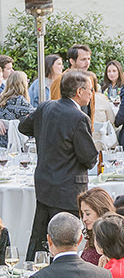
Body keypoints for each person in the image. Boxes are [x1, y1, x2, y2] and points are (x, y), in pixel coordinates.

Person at [20, 69, 99, 259]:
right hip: (67, 188)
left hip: (45, 183)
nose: (91, 94)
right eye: (89, 89)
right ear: (79, 92)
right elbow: (89, 158)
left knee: (40, 237)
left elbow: (23, 126)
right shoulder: (79, 118)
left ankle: (34, 272)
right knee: (65, 242)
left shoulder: (45, 107)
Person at [78, 186, 117, 265]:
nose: (84, 219)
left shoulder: (111, 243)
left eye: (88, 214)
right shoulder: (92, 236)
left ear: (101, 211)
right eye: (82, 214)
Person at [0, 69, 31, 140]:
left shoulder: (2, 99)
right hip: (12, 144)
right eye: (27, 81)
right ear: (22, 84)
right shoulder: (20, 101)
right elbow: (37, 115)